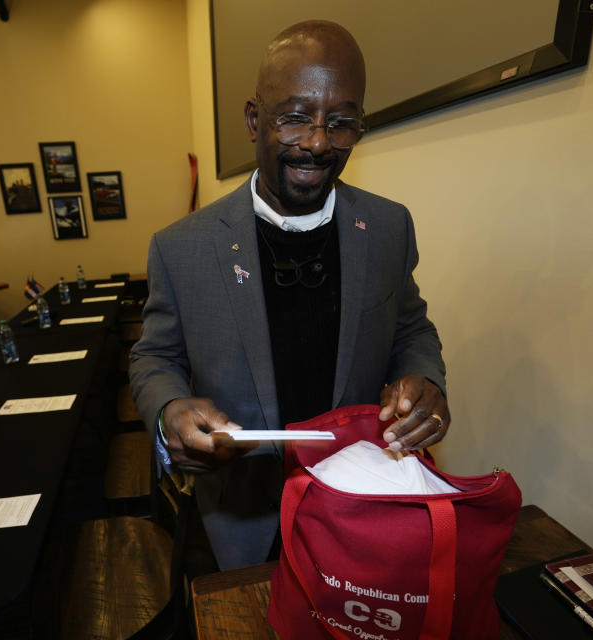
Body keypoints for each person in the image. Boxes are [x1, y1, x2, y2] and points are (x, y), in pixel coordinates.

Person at [129, 20, 450, 571]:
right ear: (256, 119)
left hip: (358, 514)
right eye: (296, 118)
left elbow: (410, 329)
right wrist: (168, 412)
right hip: (240, 520)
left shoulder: (390, 227)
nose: (319, 142)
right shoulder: (180, 247)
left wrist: (426, 382)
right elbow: (155, 354)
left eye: (342, 123)